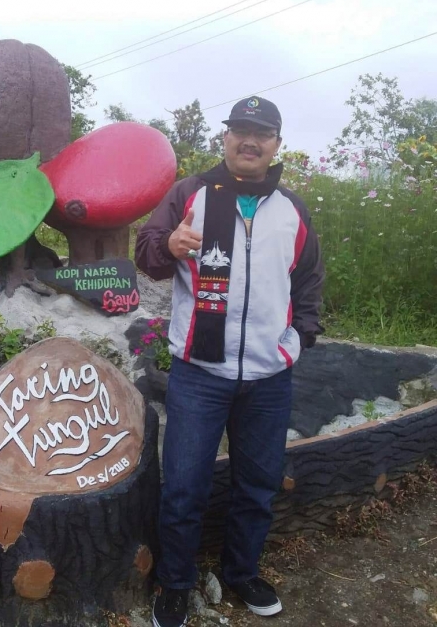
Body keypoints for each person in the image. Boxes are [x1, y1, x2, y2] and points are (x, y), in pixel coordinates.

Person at [135, 95, 324, 627]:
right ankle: (175, 584)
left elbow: (307, 279)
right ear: (225, 138)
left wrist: (299, 339)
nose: (250, 139)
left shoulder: (291, 209)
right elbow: (145, 252)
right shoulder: (190, 194)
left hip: (269, 377)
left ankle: (241, 573)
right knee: (184, 486)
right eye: (240, 129)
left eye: (261, 132)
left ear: (276, 145)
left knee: (258, 486)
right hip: (200, 372)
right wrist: (168, 244)